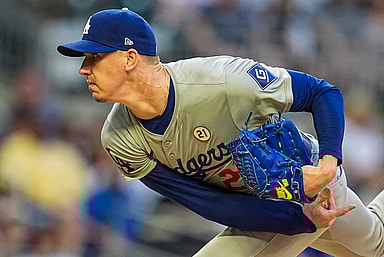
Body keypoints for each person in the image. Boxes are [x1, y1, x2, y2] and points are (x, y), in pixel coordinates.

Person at [57, 8, 384, 257]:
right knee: (375, 244)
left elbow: (322, 92)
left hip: (307, 184)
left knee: (375, 243)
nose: (84, 68)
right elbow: (204, 200)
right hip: (266, 208)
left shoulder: (223, 82)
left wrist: (328, 165)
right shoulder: (118, 138)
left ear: (130, 58)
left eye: (94, 56)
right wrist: (297, 220)